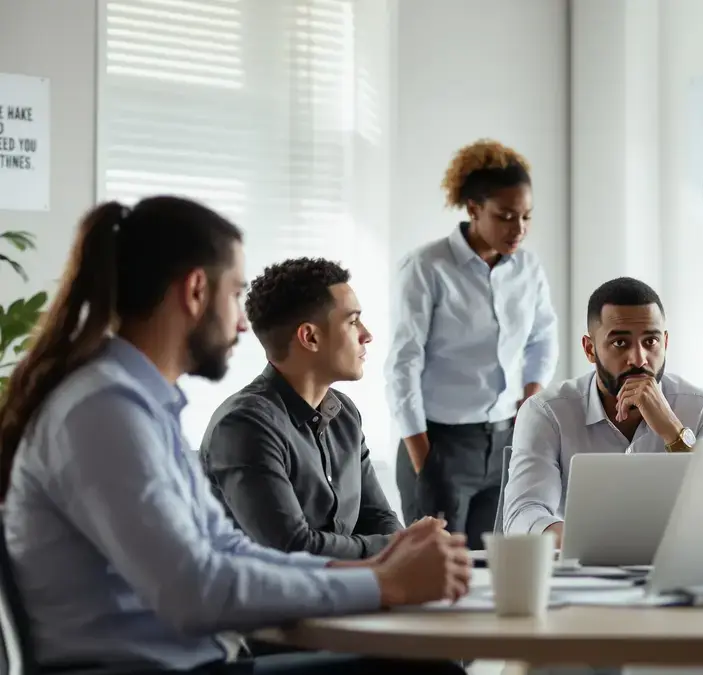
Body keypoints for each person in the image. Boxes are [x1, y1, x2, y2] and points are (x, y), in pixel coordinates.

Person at [0, 197, 470, 674]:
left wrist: (376, 572)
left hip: (195, 664)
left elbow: (228, 550)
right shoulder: (103, 411)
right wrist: (382, 583)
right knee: (424, 670)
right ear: (195, 291)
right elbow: (195, 590)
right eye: (235, 294)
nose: (244, 324)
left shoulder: (140, 405)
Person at [388, 139, 558, 550]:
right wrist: (424, 462)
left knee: (491, 570)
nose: (518, 229)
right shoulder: (427, 267)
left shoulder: (528, 267)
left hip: (505, 442)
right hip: (439, 444)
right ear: (473, 209)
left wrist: (530, 398)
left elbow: (542, 336)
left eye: (526, 217)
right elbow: (403, 365)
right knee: (438, 569)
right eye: (505, 216)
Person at [502, 276, 703, 546]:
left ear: (665, 342)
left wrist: (673, 432)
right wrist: (590, 544)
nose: (638, 359)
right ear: (590, 349)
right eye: (620, 343)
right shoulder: (546, 413)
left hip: (682, 563)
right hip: (583, 565)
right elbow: (523, 514)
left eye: (650, 341)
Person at [200, 257, 402, 561]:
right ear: (310, 337)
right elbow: (293, 548)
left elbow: (378, 518)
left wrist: (404, 545)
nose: (366, 334)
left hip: (342, 586)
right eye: (352, 322)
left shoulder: (344, 414)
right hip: (271, 591)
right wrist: (396, 548)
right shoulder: (244, 425)